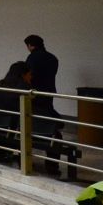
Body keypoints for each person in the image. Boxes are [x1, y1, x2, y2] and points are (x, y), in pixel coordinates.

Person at [24, 34, 63, 174]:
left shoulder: (32, 58)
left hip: (35, 94)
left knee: (35, 120)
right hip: (49, 92)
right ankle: (51, 163)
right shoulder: (53, 58)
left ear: (30, 45)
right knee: (47, 118)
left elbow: (30, 76)